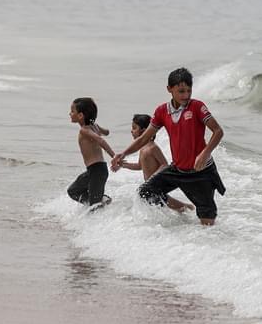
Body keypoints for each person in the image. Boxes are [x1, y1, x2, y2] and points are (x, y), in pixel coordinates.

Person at [112, 68, 226, 226]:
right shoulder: (161, 111)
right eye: (180, 91)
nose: (185, 95)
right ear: (169, 89)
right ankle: (168, 228)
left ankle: (207, 246)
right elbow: (144, 138)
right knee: (145, 192)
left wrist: (205, 154)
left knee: (207, 222)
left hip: (201, 172)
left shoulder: (197, 107)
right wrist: (122, 154)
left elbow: (218, 131)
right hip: (177, 170)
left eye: (188, 91)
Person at [123, 113, 194, 213]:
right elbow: (139, 166)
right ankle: (185, 209)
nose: (131, 131)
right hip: (150, 186)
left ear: (143, 131)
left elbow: (164, 164)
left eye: (134, 128)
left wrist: (154, 177)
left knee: (158, 200)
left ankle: (187, 208)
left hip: (155, 184)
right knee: (159, 202)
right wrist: (124, 165)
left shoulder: (153, 148)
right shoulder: (142, 148)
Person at [67, 97, 116, 208]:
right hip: (95, 170)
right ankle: (99, 201)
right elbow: (107, 133)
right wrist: (100, 130)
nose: (70, 113)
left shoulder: (84, 130)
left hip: (96, 171)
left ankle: (99, 203)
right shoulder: (95, 126)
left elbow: (101, 140)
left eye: (72, 111)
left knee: (95, 206)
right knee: (73, 191)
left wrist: (114, 156)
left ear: (80, 115)